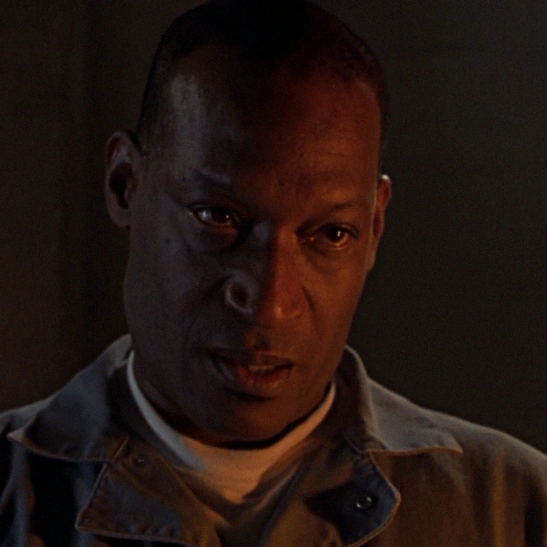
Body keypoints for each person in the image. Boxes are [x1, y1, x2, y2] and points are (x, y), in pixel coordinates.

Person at [1, 0, 546, 545]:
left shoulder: (514, 512)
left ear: (375, 227)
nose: (270, 303)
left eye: (332, 234)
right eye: (218, 218)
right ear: (125, 185)